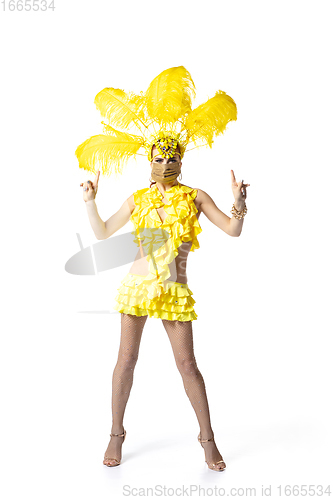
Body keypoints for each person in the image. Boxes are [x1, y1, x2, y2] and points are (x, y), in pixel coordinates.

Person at [77, 66, 250, 471]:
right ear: (149, 160)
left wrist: (239, 201)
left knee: (188, 364)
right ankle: (116, 434)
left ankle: (207, 440)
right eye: (159, 156)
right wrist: (90, 200)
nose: (166, 161)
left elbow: (233, 230)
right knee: (126, 360)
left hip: (174, 287)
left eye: (172, 156)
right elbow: (102, 233)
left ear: (181, 158)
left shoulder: (195, 197)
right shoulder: (139, 199)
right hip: (137, 285)